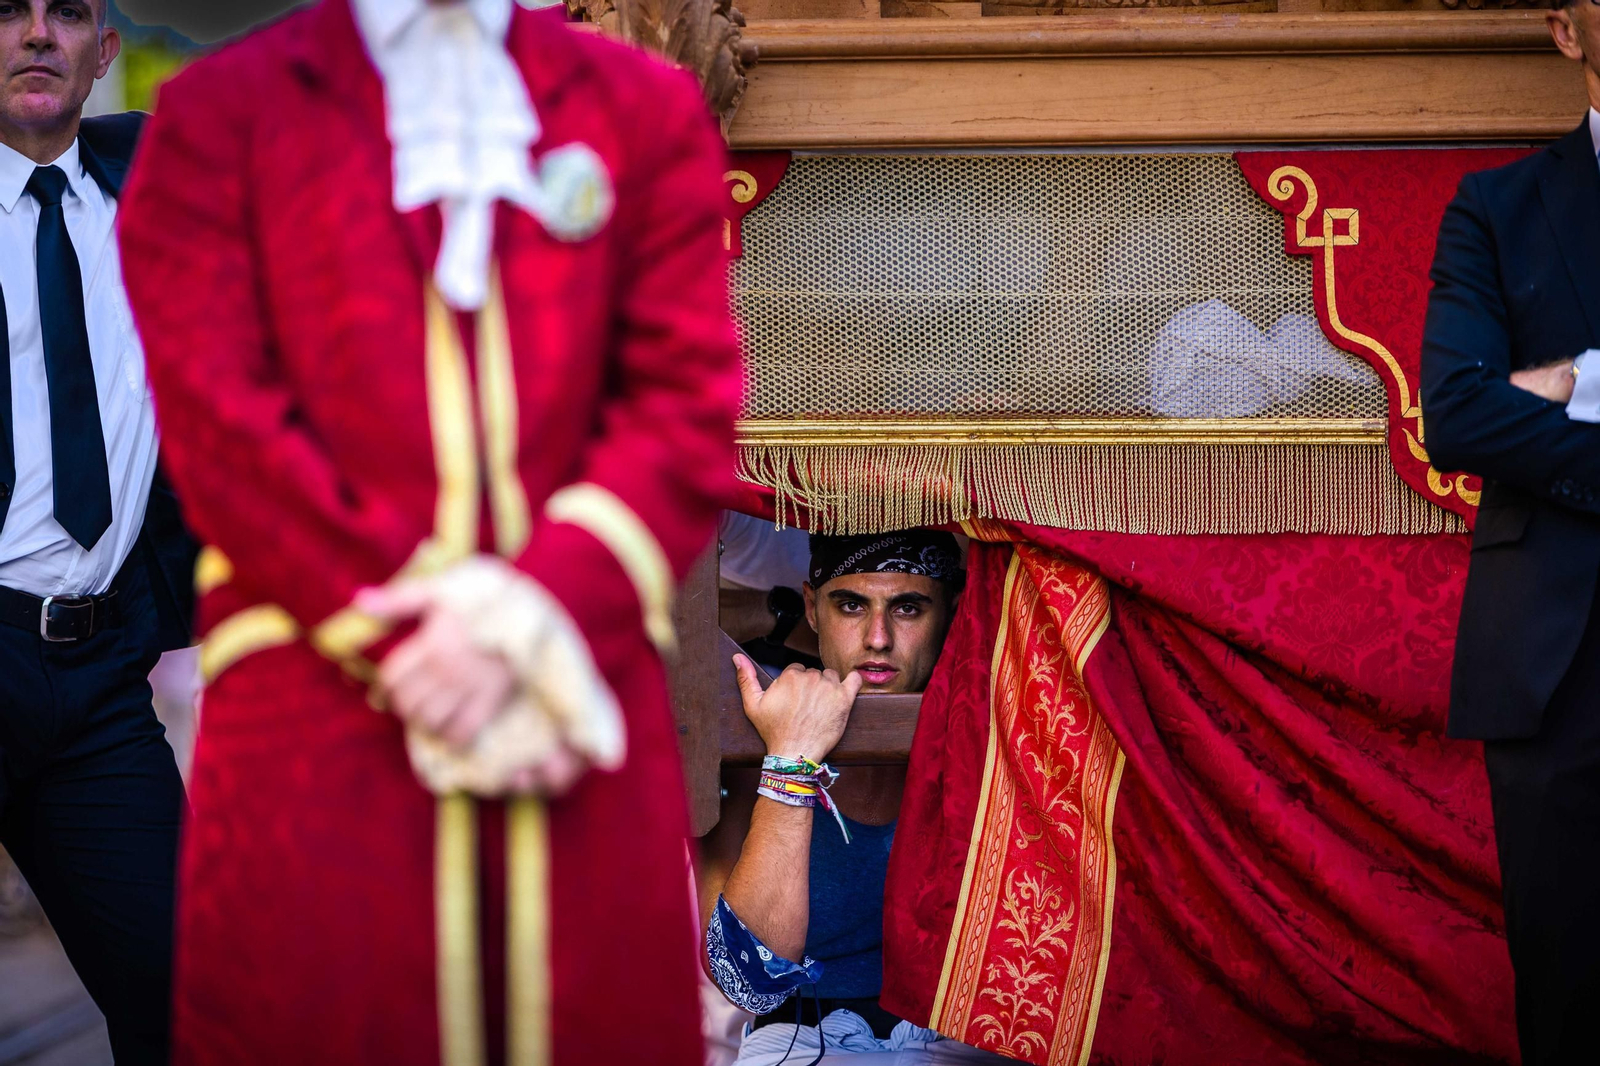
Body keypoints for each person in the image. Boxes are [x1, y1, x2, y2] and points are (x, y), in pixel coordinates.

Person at [116, 0, 740, 1063]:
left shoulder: (643, 110)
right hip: (319, 715)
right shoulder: (217, 120)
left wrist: (540, 608)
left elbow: (681, 402)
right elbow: (223, 425)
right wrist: (415, 639)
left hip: (569, 686)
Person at [0, 3, 195, 1063]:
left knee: (193, 1002)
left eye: (65, 11)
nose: (37, 33)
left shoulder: (160, 182)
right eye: (6, 10)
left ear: (103, 49)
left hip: (99, 670)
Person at [1419, 3, 1600, 1063]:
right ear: (1568, 31)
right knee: (1571, 988)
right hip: (1559, 662)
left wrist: (1569, 384)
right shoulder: (1497, 207)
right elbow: (1460, 413)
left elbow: (1509, 410)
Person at [697, 530, 1007, 1065]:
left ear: (952, 611)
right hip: (802, 1040)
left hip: (969, 1036)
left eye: (908, 608)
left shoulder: (998, 729)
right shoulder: (756, 736)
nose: (878, 638)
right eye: (851, 606)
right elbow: (747, 983)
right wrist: (792, 758)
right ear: (812, 609)